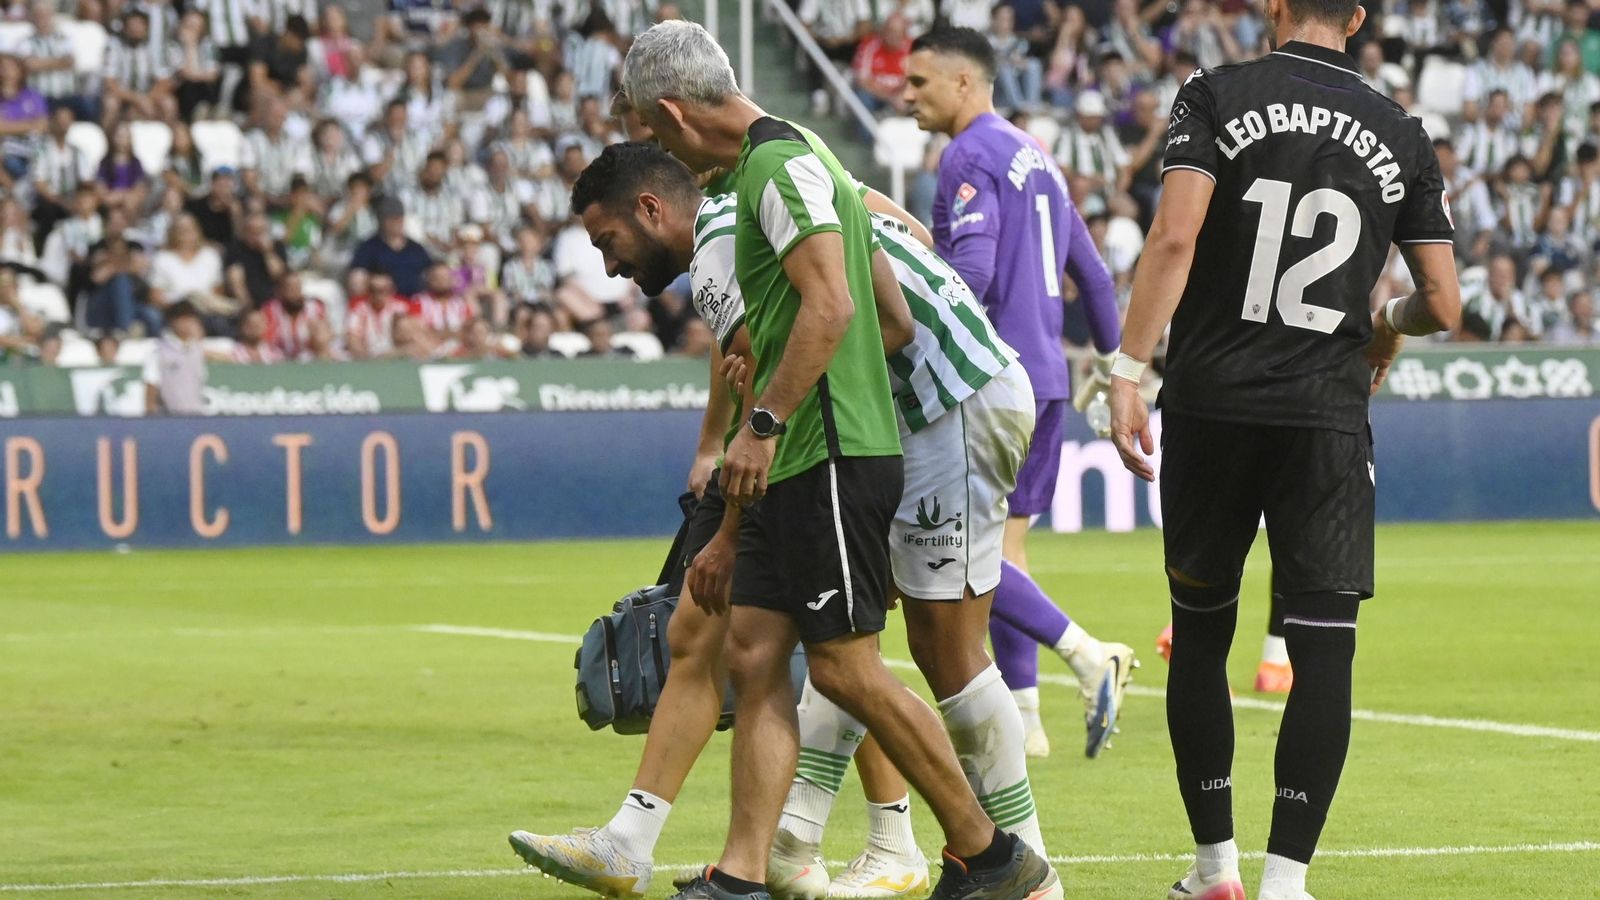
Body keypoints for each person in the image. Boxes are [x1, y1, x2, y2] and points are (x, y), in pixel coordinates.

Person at [513, 23, 1057, 900]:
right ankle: (764, 862)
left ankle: (1003, 860)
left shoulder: (744, 198)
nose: (610, 268)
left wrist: (759, 428)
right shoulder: (789, 158)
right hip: (876, 415)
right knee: (765, 646)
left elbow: (835, 315)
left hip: (918, 410)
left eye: (648, 132)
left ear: (671, 117)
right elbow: (876, 281)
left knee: (910, 653)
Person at [1105, 0, 1462, 893]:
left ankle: (1213, 870)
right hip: (1326, 418)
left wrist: (1126, 369)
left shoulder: (1215, 93)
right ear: (1359, 17)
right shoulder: (1401, 131)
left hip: (1212, 405)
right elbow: (1443, 304)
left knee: (1200, 634)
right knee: (1323, 651)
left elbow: (1175, 236)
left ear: (1273, 6)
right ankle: (1285, 883)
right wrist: (1385, 322)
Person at [903, 27, 1137, 760]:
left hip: (987, 380)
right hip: (1047, 380)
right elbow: (1091, 275)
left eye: (919, 82)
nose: (906, 96)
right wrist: (1116, 362)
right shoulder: (1037, 156)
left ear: (963, 83)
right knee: (1005, 549)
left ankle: (1088, 654)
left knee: (946, 548)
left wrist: (909, 339)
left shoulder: (967, 154)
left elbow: (971, 272)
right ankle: (1026, 719)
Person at [142, 301, 210, 415]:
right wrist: (150, 417)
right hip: (171, 417)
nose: (187, 324)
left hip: (197, 416)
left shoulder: (197, 351)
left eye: (191, 319)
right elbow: (151, 386)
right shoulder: (159, 352)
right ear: (172, 321)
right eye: (183, 319)